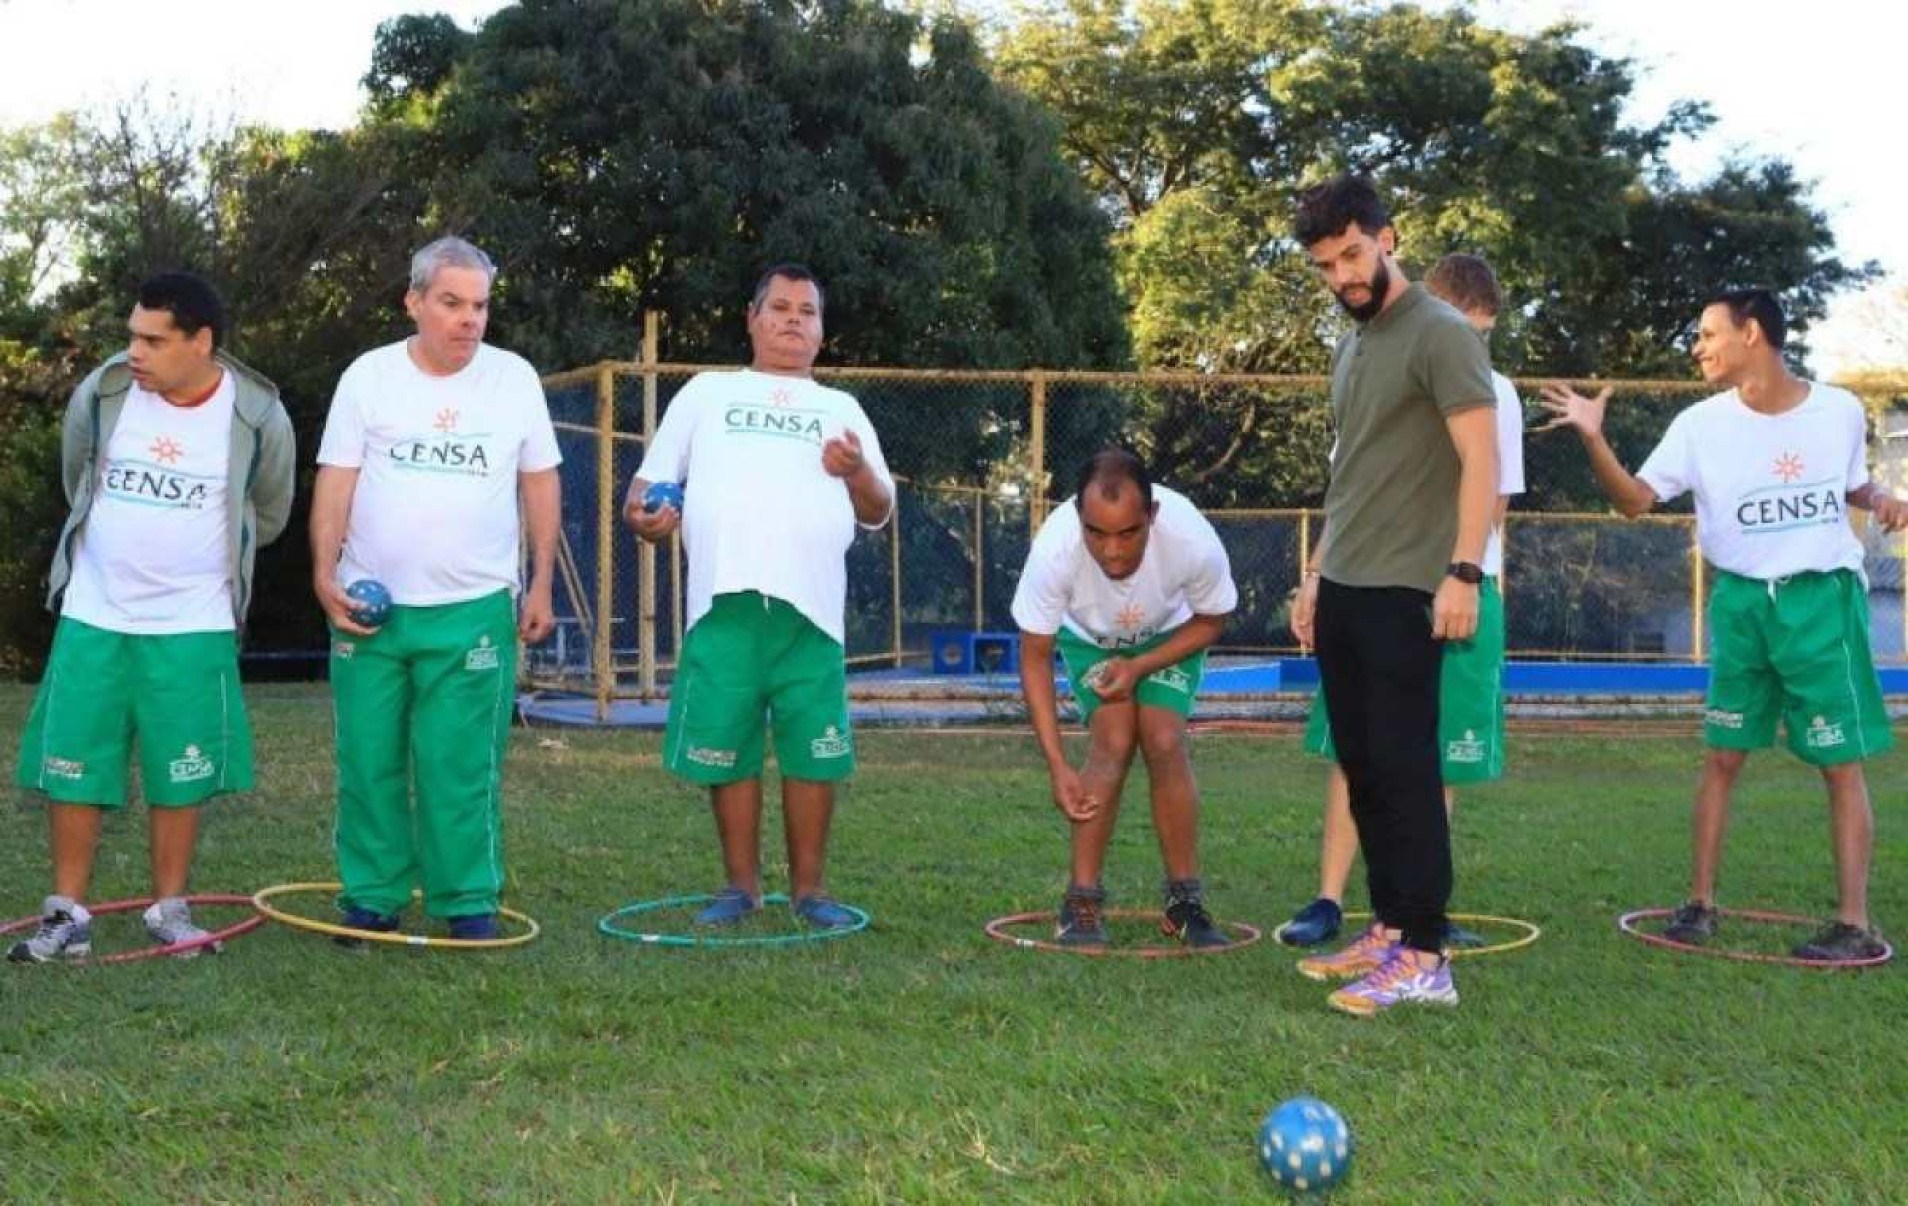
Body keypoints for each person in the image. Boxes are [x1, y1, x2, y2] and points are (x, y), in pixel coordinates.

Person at [1540, 288, 1903, 962]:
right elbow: (1634, 503)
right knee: (1721, 755)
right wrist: (1594, 437)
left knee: (1838, 763)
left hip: (1821, 600)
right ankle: (1700, 905)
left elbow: (1849, 481)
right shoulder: (1698, 425)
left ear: (1753, 333)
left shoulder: (1840, 411)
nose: (1698, 347)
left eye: (1708, 334)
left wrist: (1879, 495)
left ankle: (1853, 922)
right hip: (1740, 603)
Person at [9, 272, 295, 963]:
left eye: (152, 339)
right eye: (132, 335)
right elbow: (78, 475)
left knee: (182, 768)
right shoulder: (105, 393)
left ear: (202, 342)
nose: (134, 351)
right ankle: (67, 916)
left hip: (192, 622)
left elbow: (270, 510)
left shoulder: (256, 414)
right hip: (94, 613)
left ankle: (170, 911)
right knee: (73, 763)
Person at [624, 264, 893, 929]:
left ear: (822, 332)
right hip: (724, 606)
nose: (794, 319)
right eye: (780, 307)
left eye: (808, 310)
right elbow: (644, 492)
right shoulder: (706, 394)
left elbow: (879, 509)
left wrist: (855, 470)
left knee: (812, 750)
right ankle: (740, 887)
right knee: (729, 745)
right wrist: (646, 519)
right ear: (752, 318)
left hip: (813, 614)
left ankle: (810, 892)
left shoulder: (842, 410)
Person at [1286, 175, 1499, 1016]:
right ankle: (1386, 926)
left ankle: (1426, 954)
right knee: (1365, 768)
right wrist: (1315, 575)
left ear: (1389, 238)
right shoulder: (1352, 344)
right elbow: (1352, 475)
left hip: (1412, 588)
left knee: (1408, 772)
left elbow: (1480, 462)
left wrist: (1464, 571)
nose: (1342, 275)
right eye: (1324, 265)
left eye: (1352, 254)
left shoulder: (1442, 335)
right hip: (1346, 584)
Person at [310, 236, 560, 942]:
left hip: (474, 608)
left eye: (479, 305)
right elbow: (337, 479)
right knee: (368, 759)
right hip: (371, 607)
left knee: (458, 763)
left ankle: (465, 900)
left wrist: (539, 582)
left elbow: (539, 481)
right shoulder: (369, 377)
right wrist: (324, 575)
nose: (468, 320)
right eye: (451, 303)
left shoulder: (513, 380)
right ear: (414, 302)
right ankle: (372, 897)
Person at [1011, 450, 1239, 947]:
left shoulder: (1191, 540)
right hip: (1089, 636)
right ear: (1078, 516)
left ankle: (1185, 902)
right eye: (1097, 533)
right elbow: (1034, 656)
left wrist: (1138, 666)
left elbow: (1211, 619)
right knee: (1112, 739)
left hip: (1171, 633)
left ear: (1152, 516)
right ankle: (1082, 901)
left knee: (1162, 736)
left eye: (1128, 534)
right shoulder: (1054, 551)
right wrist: (1056, 765)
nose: (1112, 552)